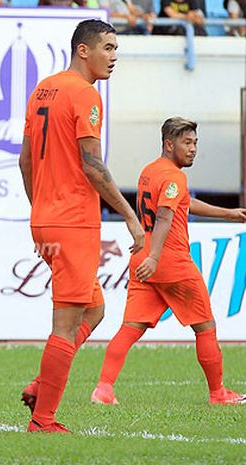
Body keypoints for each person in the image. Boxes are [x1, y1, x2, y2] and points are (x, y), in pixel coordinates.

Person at [18, 19, 145, 433]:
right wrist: (129, 214)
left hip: (47, 218)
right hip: (73, 221)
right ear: (83, 50)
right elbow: (91, 164)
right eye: (107, 48)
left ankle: (42, 385)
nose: (113, 57)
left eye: (116, 50)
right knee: (67, 323)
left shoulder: (43, 89)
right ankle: (44, 419)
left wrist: (41, 211)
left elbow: (24, 161)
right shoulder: (86, 94)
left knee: (96, 308)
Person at [91, 117, 246, 406]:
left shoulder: (149, 172)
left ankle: (103, 389)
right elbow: (165, 215)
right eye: (187, 143)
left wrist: (228, 213)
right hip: (168, 260)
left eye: (195, 143)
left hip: (143, 258)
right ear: (168, 144)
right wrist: (155, 256)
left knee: (131, 327)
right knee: (205, 326)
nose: (193, 149)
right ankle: (218, 394)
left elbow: (181, 203)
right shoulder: (175, 176)